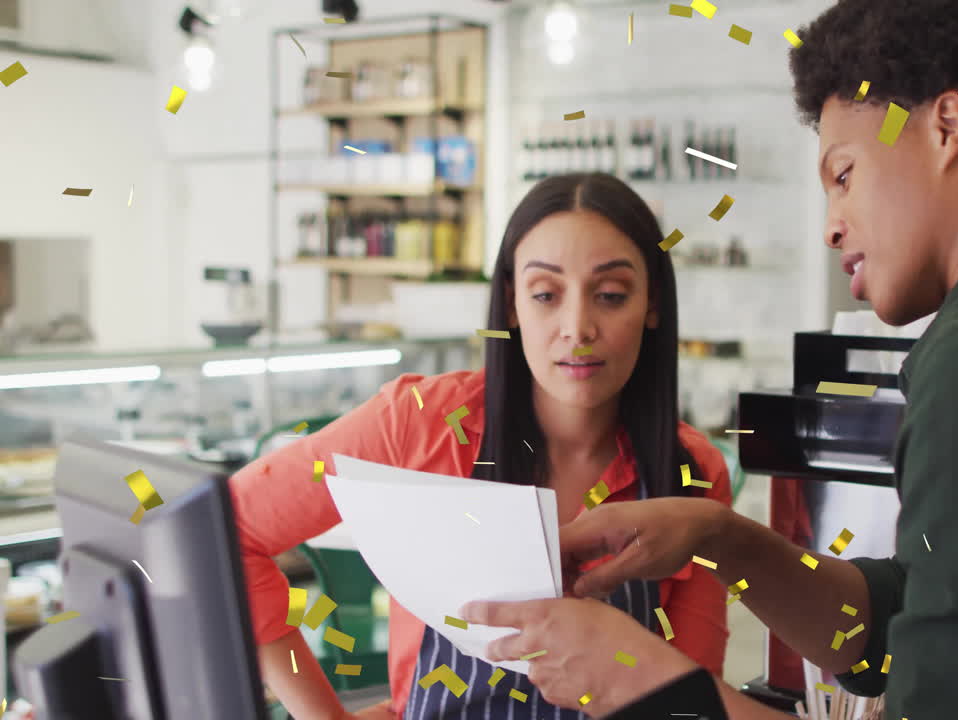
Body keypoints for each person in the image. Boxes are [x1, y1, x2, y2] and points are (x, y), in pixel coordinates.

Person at [459, 1, 958, 718]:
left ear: (948, 126)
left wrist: (646, 685)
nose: (831, 224)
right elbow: (939, 615)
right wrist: (725, 541)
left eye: (844, 175)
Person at [230, 172, 734, 719]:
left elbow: (694, 704)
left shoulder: (693, 474)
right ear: (512, 304)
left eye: (611, 295)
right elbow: (233, 531)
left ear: (652, 303)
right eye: (545, 295)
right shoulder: (419, 424)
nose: (577, 327)